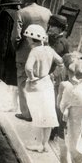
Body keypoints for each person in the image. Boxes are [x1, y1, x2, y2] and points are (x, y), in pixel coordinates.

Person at [22, 23, 61, 152]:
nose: (27, 40)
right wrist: (53, 73)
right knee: (48, 115)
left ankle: (38, 144)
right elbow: (60, 61)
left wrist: (32, 77)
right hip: (47, 82)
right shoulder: (49, 49)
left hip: (37, 83)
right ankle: (45, 145)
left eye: (27, 38)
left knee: (38, 115)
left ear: (31, 38)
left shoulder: (34, 51)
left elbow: (28, 67)